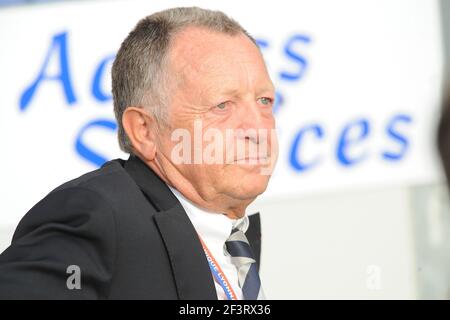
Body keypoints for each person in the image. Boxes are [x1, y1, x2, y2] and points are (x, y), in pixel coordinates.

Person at [0, 7, 278, 299]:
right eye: (222, 105)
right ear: (144, 130)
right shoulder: (95, 216)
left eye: (264, 100)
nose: (258, 129)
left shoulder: (230, 238)